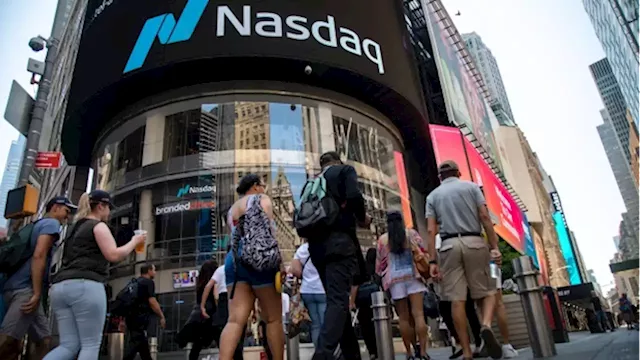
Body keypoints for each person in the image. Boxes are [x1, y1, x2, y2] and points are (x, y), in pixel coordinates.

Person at [43, 191, 144, 360]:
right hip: (86, 285)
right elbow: (113, 255)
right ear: (101, 206)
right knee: (90, 344)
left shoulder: (74, 228)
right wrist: (135, 242)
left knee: (69, 345)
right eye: (108, 208)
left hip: (60, 287)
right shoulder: (98, 226)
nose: (109, 213)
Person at [426, 161, 503, 360]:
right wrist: (494, 247)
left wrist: (432, 261)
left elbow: (430, 229)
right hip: (475, 241)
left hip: (449, 245)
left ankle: (467, 351)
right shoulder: (472, 188)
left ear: (439, 177)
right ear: (458, 173)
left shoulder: (432, 196)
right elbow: (485, 217)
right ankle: (485, 326)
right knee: (488, 291)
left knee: (456, 300)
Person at [306, 151, 371, 360]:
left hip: (316, 249)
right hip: (339, 245)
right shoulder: (344, 171)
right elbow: (354, 196)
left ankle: (351, 355)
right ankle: (322, 355)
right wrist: (362, 218)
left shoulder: (312, 183)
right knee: (338, 301)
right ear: (338, 162)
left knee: (337, 300)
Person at [0, 197, 76, 360]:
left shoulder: (37, 223)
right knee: (7, 341)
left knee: (43, 340)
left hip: (15, 286)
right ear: (55, 208)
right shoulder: (51, 224)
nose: (67, 217)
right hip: (25, 291)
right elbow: (39, 255)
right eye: (66, 211)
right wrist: (36, 292)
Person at [219, 174, 284, 360]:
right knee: (273, 318)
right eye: (262, 185)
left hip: (235, 261)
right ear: (255, 186)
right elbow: (269, 232)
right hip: (260, 259)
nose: (264, 189)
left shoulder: (232, 210)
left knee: (234, 321)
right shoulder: (262, 199)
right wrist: (279, 262)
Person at [376, 211, 430, 360]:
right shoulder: (411, 234)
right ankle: (424, 351)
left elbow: (379, 266)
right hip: (414, 277)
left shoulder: (383, 240)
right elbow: (423, 251)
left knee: (403, 318)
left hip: (395, 281)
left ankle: (409, 352)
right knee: (419, 315)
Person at [200, 254, 244, 360]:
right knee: (238, 337)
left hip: (223, 303)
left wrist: (202, 305)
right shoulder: (239, 268)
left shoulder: (220, 269)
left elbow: (208, 286)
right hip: (236, 298)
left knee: (224, 337)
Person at [123, 263, 166, 360]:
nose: (155, 272)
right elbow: (152, 301)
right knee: (135, 345)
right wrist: (161, 316)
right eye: (154, 270)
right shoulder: (148, 282)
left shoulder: (134, 282)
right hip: (140, 319)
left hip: (131, 318)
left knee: (141, 346)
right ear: (149, 271)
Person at [178, 260, 218, 360]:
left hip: (200, 318)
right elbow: (215, 298)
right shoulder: (213, 283)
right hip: (211, 315)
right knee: (221, 340)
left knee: (197, 345)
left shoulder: (200, 284)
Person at [290, 239, 326, 348]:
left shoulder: (302, 249)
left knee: (315, 324)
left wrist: (306, 275)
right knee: (325, 323)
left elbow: (295, 270)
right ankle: (326, 351)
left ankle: (318, 350)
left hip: (307, 290)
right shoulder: (324, 245)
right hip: (323, 289)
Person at [351, 248, 379, 360]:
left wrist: (352, 301)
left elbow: (355, 284)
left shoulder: (361, 268)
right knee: (378, 325)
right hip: (376, 299)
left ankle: (372, 351)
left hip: (362, 301)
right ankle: (380, 348)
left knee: (366, 327)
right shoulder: (377, 270)